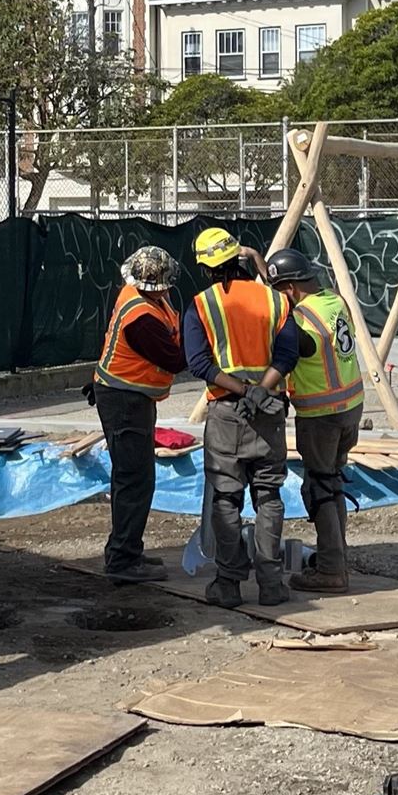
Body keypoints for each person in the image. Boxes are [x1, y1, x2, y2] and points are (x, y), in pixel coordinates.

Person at [182, 226, 302, 607]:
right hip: (268, 412)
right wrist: (261, 390)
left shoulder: (202, 305)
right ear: (238, 259)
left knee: (225, 499)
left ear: (207, 268)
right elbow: (288, 355)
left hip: (227, 414)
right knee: (268, 496)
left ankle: (229, 584)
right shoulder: (274, 301)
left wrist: (242, 391)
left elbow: (198, 363)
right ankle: (270, 585)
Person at [263, 247, 364, 593]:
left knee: (319, 488)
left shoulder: (302, 320)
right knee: (333, 482)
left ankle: (332, 571)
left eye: (278, 290)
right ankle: (335, 558)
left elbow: (289, 354)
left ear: (289, 289)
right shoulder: (332, 302)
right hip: (351, 406)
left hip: (322, 414)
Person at [89, 246, 185, 583]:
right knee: (135, 479)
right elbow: (175, 359)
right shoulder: (141, 318)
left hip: (131, 396)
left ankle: (126, 550)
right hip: (124, 399)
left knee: (134, 477)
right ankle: (123, 560)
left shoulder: (141, 297)